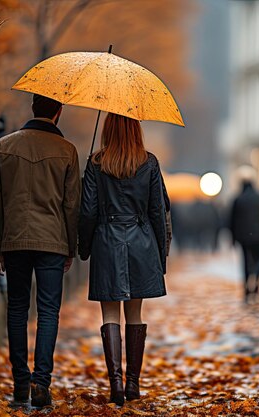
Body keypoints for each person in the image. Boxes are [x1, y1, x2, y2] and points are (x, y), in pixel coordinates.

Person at [0, 94, 80, 407]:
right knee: (48, 311)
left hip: (14, 238)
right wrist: (71, 245)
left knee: (17, 308)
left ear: (33, 108)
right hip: (52, 240)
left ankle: (20, 382)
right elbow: (71, 205)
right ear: (59, 112)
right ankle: (42, 380)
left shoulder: (5, 146)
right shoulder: (67, 151)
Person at [78, 113, 168, 406]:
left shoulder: (96, 163)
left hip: (107, 240)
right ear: (135, 130)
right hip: (142, 243)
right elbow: (158, 211)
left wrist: (85, 246)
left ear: (108, 129)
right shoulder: (149, 162)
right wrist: (160, 256)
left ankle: (115, 383)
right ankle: (133, 384)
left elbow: (88, 211)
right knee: (134, 315)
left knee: (110, 315)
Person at [229, 168, 259, 301]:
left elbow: (232, 220)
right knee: (258, 259)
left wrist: (233, 238)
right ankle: (256, 280)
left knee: (245, 261)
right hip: (258, 235)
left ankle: (246, 284)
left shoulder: (238, 199)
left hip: (243, 236)